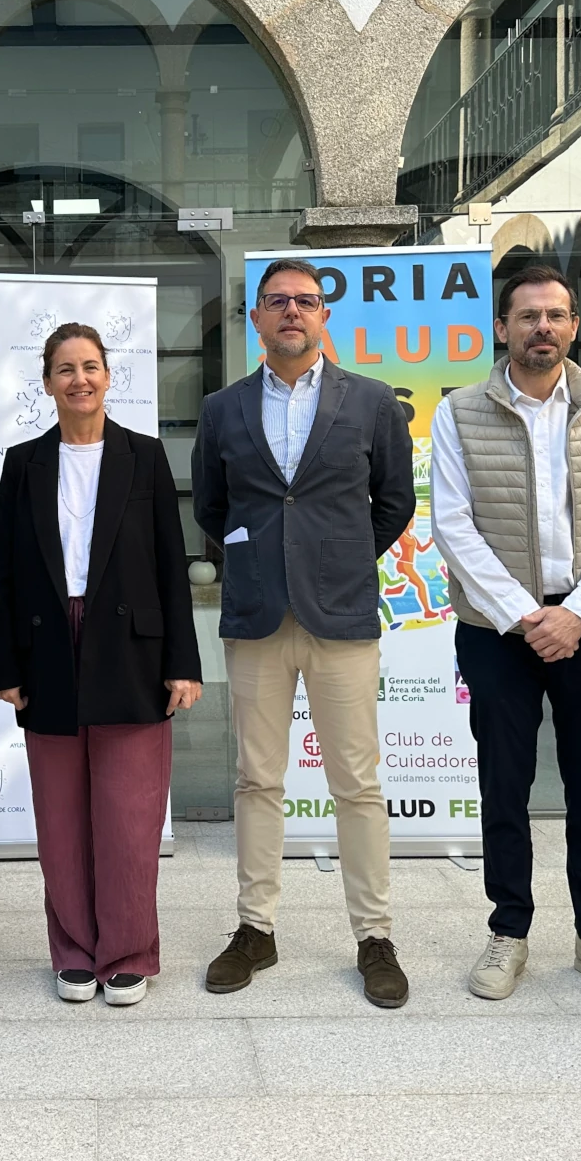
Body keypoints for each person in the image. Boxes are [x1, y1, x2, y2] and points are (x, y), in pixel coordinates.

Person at [191, 257, 416, 1010]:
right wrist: (263, 563)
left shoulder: (373, 402)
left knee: (357, 783)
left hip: (341, 617)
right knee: (257, 779)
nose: (292, 310)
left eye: (306, 300)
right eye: (277, 300)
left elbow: (393, 502)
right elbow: (213, 507)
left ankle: (374, 936)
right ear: (256, 318)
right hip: (256, 618)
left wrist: (336, 560)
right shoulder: (222, 407)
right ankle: (256, 928)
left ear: (325, 316)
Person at [431, 264, 581, 1005]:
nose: (543, 328)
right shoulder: (460, 411)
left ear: (574, 326)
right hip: (498, 630)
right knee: (505, 785)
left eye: (556, 315)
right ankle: (509, 930)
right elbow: (452, 524)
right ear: (502, 328)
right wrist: (524, 615)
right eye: (528, 316)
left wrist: (577, 613)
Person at [0, 323, 203, 1007]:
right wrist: (4, 665)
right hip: (48, 644)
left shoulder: (144, 455)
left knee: (129, 816)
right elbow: (5, 568)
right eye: (65, 369)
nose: (79, 379)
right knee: (60, 818)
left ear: (108, 376)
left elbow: (170, 563)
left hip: (131, 649)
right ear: (47, 382)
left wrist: (183, 662)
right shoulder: (23, 462)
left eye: (90, 366)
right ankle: (75, 952)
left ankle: (129, 952)